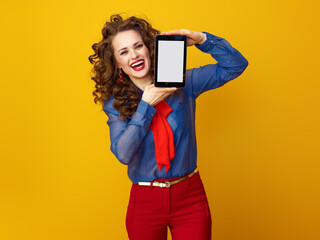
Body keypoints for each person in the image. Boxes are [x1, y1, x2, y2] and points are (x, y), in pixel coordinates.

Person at [88, 13, 248, 240]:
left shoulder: (184, 84)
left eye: (138, 46)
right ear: (117, 63)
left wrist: (202, 39)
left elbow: (236, 66)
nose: (134, 55)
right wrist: (146, 105)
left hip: (190, 196)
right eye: (124, 52)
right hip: (145, 202)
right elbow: (123, 153)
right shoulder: (116, 103)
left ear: (148, 48)